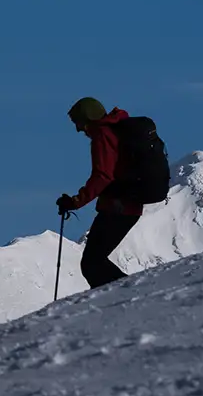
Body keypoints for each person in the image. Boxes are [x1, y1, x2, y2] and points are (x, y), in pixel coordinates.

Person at [57, 97, 143, 288]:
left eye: (78, 122)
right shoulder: (114, 130)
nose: (78, 129)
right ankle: (131, 293)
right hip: (127, 205)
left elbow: (103, 176)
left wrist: (75, 201)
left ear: (88, 119)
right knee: (94, 261)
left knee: (92, 263)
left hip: (118, 207)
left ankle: (133, 294)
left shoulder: (103, 135)